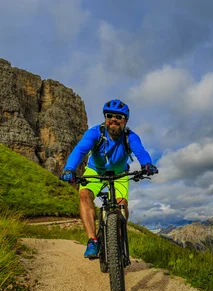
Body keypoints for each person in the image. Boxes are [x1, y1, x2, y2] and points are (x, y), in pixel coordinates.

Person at [59, 99, 158, 259]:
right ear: (105, 118)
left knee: (122, 204)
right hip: (95, 171)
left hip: (119, 174)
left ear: (125, 120)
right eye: (110, 116)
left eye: (119, 117)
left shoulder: (130, 136)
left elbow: (140, 151)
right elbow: (80, 150)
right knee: (84, 194)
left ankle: (118, 239)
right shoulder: (95, 133)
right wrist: (69, 168)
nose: (114, 119)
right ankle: (92, 240)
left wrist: (147, 164)